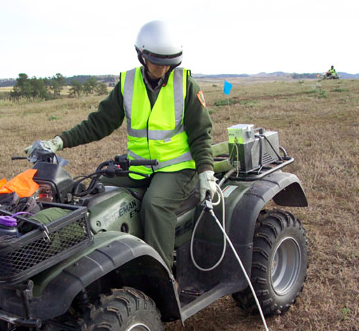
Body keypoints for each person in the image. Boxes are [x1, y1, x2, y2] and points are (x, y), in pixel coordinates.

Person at [26, 20, 216, 269]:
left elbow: (201, 134)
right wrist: (58, 142)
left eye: (167, 63)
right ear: (141, 55)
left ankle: (162, 274)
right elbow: (99, 123)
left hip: (176, 169)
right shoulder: (128, 84)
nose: (161, 69)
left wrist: (206, 173)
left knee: (155, 204)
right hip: (139, 167)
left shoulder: (186, 86)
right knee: (95, 193)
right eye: (156, 62)